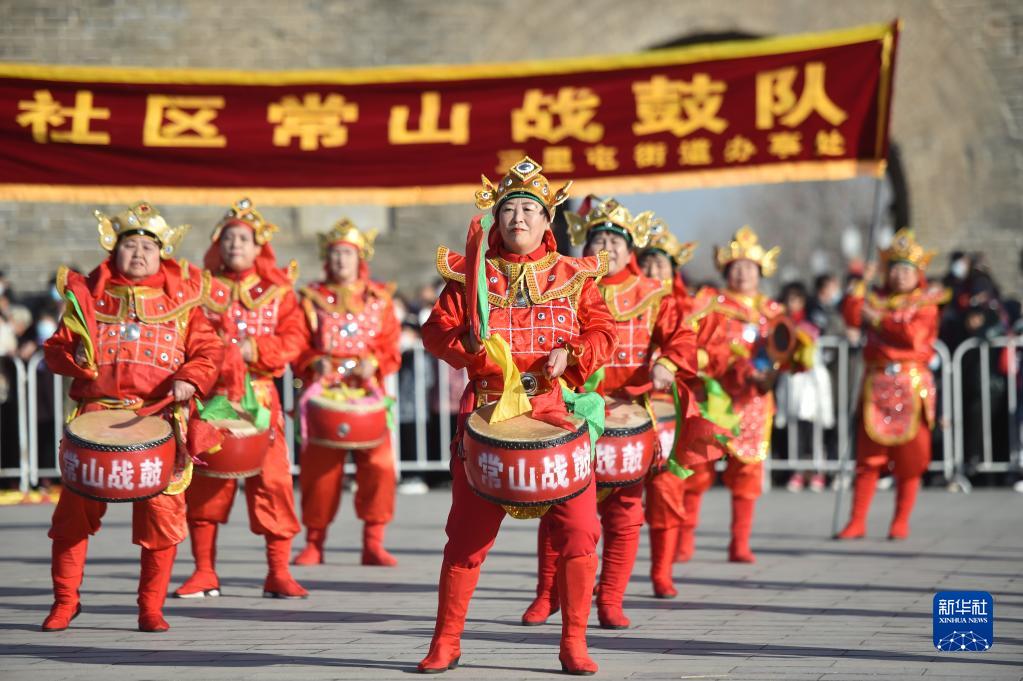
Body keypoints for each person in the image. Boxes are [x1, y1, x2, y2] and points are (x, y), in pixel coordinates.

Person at [418, 157, 617, 675]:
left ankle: (573, 642)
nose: (519, 218)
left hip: (553, 412)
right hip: (488, 412)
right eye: (510, 209)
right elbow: (435, 332)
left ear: (547, 220)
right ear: (496, 217)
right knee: (467, 537)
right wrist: (469, 347)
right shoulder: (471, 276)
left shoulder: (574, 277)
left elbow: (604, 331)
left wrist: (571, 352)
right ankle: (446, 641)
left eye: (530, 209)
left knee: (580, 532)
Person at [41, 202, 222, 632]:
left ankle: (150, 608)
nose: (138, 254)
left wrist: (191, 378)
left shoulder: (183, 300)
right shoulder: (87, 295)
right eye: (130, 245)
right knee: (72, 514)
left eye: (147, 247)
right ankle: (65, 600)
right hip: (98, 416)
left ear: (162, 254)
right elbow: (56, 348)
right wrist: (75, 358)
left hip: (159, 418)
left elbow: (208, 351)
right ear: (113, 249)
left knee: (162, 514)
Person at [521, 197, 699, 627]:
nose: (607, 247)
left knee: (625, 512)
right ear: (585, 245)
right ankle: (547, 594)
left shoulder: (655, 294)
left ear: (630, 249)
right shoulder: (566, 282)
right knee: (557, 508)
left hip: (628, 413)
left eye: (615, 241)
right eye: (598, 239)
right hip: (571, 410)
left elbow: (682, 336)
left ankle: (612, 599)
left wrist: (667, 362)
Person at [174, 198, 309, 599]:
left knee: (273, 483)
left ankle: (278, 572)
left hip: (260, 399)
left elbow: (295, 339)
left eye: (243, 239)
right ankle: (204, 571)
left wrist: (257, 350)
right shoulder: (199, 289)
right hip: (213, 399)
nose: (235, 245)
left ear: (258, 247)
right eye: (228, 238)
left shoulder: (278, 292)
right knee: (207, 483)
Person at [678, 227, 811, 563]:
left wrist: (797, 352)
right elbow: (693, 341)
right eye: (736, 267)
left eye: (749, 267)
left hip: (753, 401)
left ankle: (739, 542)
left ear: (760, 271)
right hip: (714, 396)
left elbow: (785, 351)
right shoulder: (710, 303)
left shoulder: (772, 311)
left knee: (748, 472)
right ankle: (684, 540)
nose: (742, 273)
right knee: (698, 469)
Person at [292, 219, 401, 566]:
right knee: (320, 472)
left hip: (367, 397)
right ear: (326, 258)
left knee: (379, 467)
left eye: (348, 254)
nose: (341, 260)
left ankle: (373, 541)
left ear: (360, 258)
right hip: (325, 395)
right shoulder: (311, 298)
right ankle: (315, 541)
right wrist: (314, 361)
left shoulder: (379, 298)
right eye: (335, 253)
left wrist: (376, 363)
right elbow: (296, 344)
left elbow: (391, 347)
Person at [836, 228, 946, 540]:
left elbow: (913, 336)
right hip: (878, 385)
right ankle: (857, 520)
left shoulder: (926, 302)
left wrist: (878, 320)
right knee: (868, 457)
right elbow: (851, 315)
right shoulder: (875, 298)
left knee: (911, 458)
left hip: (911, 384)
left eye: (906, 270)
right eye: (895, 269)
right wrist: (860, 284)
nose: (899, 275)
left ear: (917, 273)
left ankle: (901, 520)